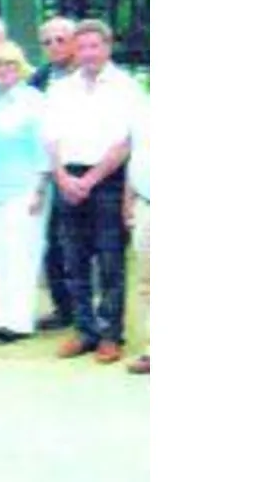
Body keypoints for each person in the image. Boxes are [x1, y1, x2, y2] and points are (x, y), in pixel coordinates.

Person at [44, 19, 146, 365]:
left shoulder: (126, 87)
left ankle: (109, 334)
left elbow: (125, 142)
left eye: (94, 46)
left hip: (107, 179)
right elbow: (51, 137)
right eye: (82, 47)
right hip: (67, 178)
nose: (88, 53)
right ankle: (84, 329)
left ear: (107, 47)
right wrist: (61, 176)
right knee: (73, 259)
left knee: (110, 260)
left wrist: (90, 180)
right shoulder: (61, 88)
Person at [0, 41, 51, 343]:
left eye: (9, 65)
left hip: (26, 187)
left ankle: (18, 322)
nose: (3, 71)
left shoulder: (34, 100)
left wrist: (40, 188)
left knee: (21, 252)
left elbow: (46, 147)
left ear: (19, 68)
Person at [29, 15, 78, 332]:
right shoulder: (40, 78)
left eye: (61, 39)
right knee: (53, 241)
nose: (54, 46)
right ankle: (64, 307)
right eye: (47, 41)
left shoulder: (89, 74)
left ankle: (88, 308)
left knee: (82, 242)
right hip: (48, 168)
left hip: (83, 165)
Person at [125, 90, 151, 376]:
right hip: (146, 203)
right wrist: (128, 199)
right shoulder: (145, 112)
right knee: (148, 283)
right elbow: (137, 159)